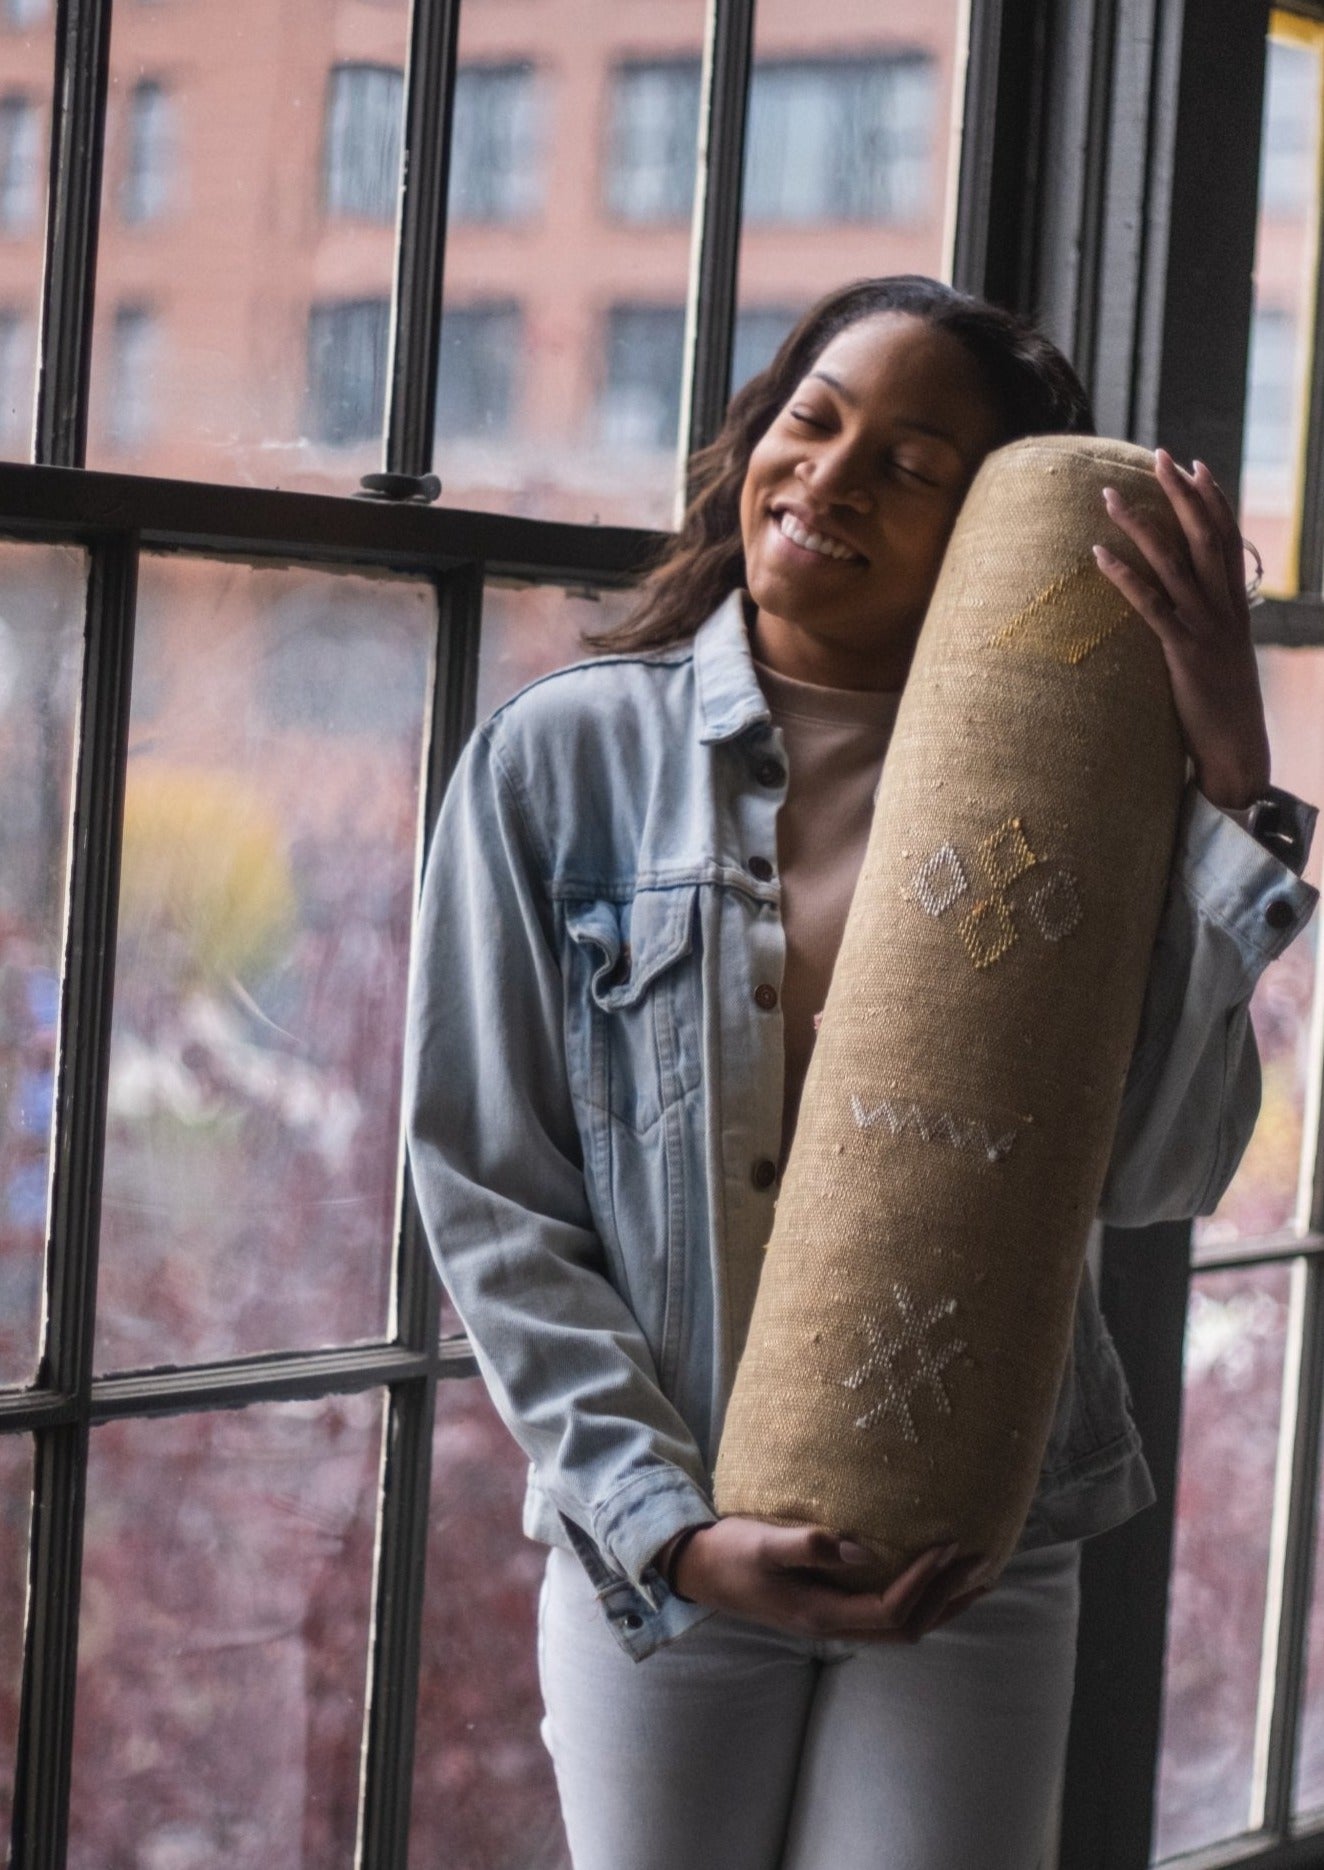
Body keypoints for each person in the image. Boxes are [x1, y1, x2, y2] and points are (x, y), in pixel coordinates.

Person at [404, 276, 1318, 1869]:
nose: (829, 475)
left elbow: (1156, 1176)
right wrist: (670, 1530)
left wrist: (1229, 793)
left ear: (987, 532)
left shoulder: (1062, 805)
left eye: (913, 464)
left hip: (981, 1546)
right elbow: (488, 1188)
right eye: (812, 419)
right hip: (667, 1546)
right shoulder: (559, 763)